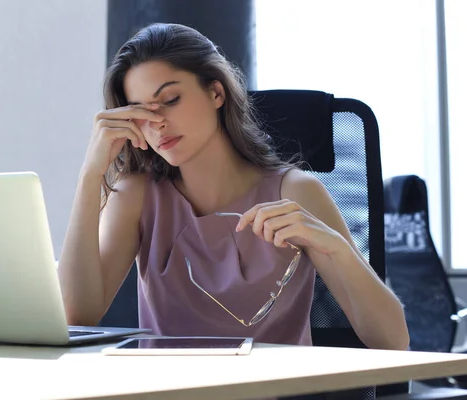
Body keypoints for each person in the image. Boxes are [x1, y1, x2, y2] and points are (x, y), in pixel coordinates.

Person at [58, 22, 409, 350]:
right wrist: (91, 177)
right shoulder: (137, 196)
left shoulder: (296, 191)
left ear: (215, 92)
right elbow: (77, 316)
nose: (158, 123)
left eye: (170, 100)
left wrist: (337, 249)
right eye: (141, 111)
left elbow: (393, 341)